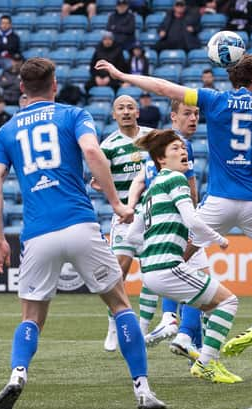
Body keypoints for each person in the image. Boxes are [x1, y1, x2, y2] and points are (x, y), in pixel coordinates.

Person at [94, 53, 252, 359]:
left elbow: (163, 87)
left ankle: (173, 320)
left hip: (220, 201)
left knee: (177, 257)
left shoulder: (212, 99)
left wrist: (123, 74)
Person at [0, 57, 164, 409]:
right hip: (80, 224)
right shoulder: (72, 114)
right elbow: (92, 151)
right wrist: (115, 202)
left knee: (31, 316)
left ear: (22, 88)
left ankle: (17, 374)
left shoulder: (6, 131)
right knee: (118, 303)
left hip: (38, 233)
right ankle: (142, 389)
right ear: (54, 84)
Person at [126, 128, 241, 383]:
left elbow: (132, 237)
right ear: (161, 159)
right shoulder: (176, 180)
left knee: (212, 306)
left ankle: (196, 349)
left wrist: (151, 251)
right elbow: (192, 219)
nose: (183, 151)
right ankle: (205, 363)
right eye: (175, 148)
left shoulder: (152, 190)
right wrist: (220, 239)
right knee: (229, 302)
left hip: (151, 274)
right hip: (169, 268)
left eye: (182, 147)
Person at [127, 100, 205, 359]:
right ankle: (179, 329)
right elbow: (190, 186)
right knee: (200, 281)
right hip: (176, 222)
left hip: (154, 223)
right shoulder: (180, 147)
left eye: (196, 113)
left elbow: (140, 182)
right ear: (174, 117)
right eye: (187, 114)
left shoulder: (158, 148)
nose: (193, 118)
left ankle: (187, 336)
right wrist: (191, 219)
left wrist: (130, 206)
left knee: (182, 275)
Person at [97, 94, 153, 352]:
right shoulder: (107, 145)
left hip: (154, 213)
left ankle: (143, 326)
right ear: (114, 115)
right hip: (124, 216)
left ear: (138, 112)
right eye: (121, 108)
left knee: (154, 271)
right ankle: (113, 323)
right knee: (119, 270)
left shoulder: (153, 137)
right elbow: (99, 179)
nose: (126, 111)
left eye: (131, 107)